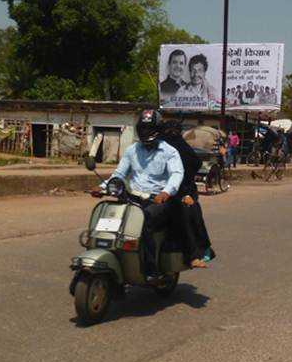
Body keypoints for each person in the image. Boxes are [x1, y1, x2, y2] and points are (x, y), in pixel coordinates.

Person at [91, 109, 184, 283]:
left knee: (146, 220)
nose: (145, 133)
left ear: (158, 129)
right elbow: (119, 174)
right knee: (113, 218)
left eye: (149, 129)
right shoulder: (132, 150)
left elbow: (177, 174)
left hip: (157, 200)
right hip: (133, 197)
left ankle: (151, 269)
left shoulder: (169, 152)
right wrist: (103, 187)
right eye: (143, 129)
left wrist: (166, 192)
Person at [161, 120, 214, 268]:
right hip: (155, 190)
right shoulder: (150, 148)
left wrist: (184, 188)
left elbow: (190, 166)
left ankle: (196, 252)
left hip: (181, 189)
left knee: (187, 213)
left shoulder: (176, 149)